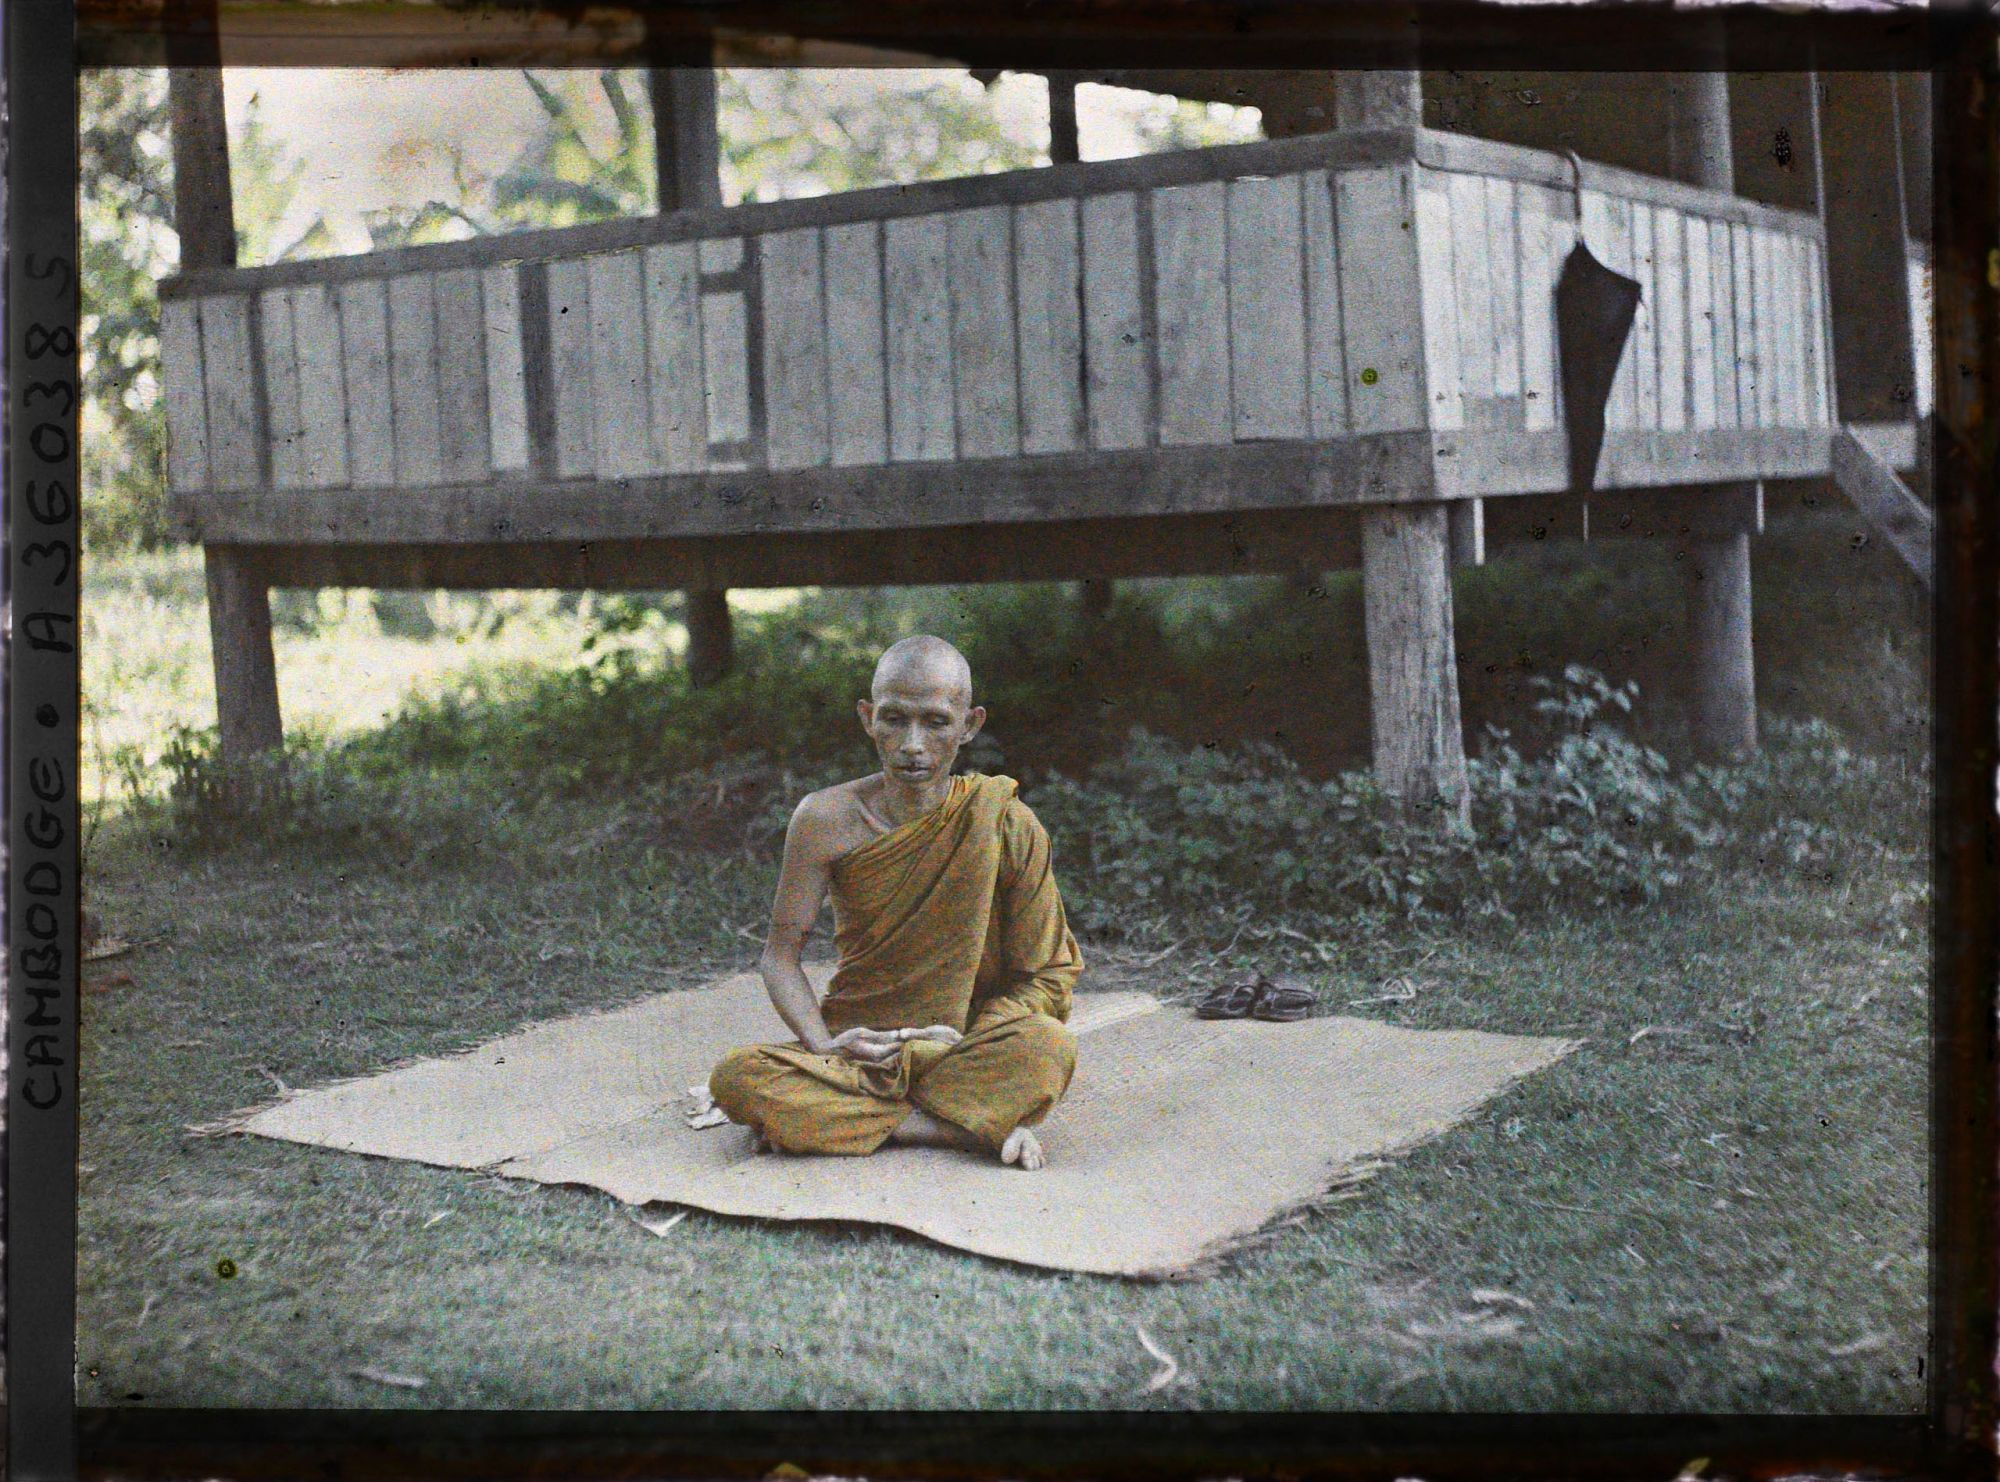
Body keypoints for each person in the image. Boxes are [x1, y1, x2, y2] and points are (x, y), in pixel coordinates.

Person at [708, 635, 1083, 1171]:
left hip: (962, 1045)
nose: (912, 743)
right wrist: (823, 1047)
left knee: (1048, 1045)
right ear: (867, 717)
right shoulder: (823, 819)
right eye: (893, 719)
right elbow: (779, 955)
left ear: (970, 725)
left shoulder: (1004, 820)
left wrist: (961, 1041)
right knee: (737, 1078)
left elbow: (1046, 976)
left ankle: (850, 1123)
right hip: (861, 1049)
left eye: (935, 722)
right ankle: (957, 1128)